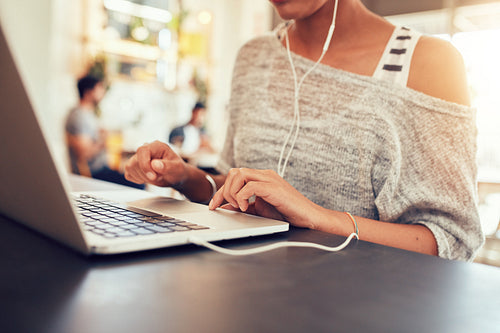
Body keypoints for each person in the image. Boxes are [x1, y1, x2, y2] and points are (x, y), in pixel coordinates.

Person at [124, 0, 484, 261]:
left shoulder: (426, 63)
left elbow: (452, 239)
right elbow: (234, 191)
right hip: (245, 293)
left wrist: (316, 217)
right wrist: (185, 177)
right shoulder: (254, 57)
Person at [65, 75, 144, 189]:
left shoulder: (87, 114)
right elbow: (84, 154)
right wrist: (104, 140)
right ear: (89, 92)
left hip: (100, 170)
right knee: (139, 184)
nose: (103, 92)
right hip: (94, 174)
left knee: (135, 177)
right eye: (99, 88)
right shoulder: (79, 116)